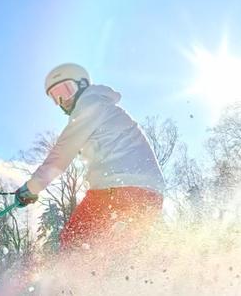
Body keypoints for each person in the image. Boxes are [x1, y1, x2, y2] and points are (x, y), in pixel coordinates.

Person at [13, 63, 165, 253]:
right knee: (117, 251)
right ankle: (120, 280)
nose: (62, 101)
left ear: (83, 84)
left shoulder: (90, 105)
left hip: (119, 188)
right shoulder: (104, 109)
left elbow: (62, 153)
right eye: (55, 97)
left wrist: (31, 188)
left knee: (75, 239)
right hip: (149, 194)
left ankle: (70, 280)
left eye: (65, 90)